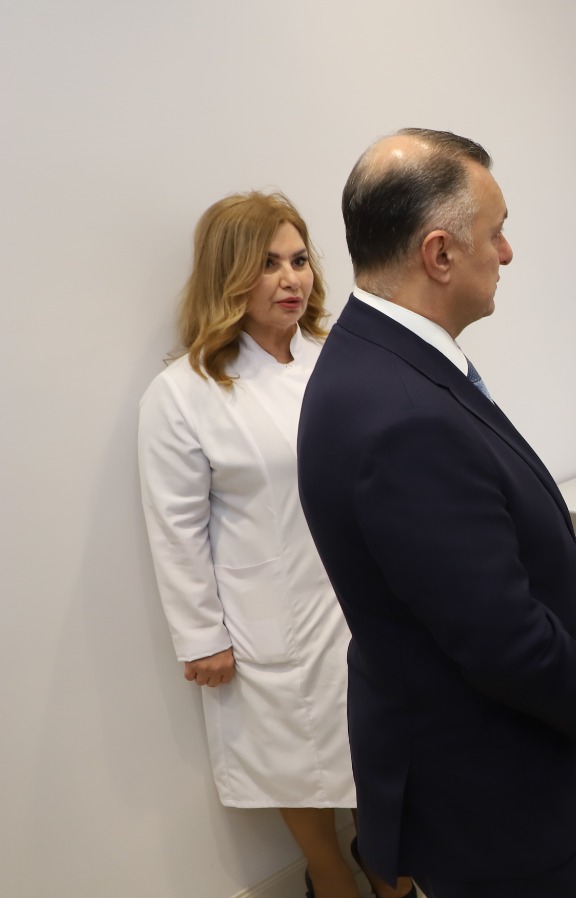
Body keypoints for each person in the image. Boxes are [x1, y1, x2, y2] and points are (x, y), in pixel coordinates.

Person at [297, 128, 576, 898]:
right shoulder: (404, 415)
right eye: (496, 232)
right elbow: (498, 638)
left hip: (448, 746)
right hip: (485, 785)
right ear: (439, 254)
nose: (507, 252)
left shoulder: (373, 357)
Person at [137, 192, 413, 898]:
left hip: (363, 597)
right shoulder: (183, 392)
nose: (291, 280)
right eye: (267, 264)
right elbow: (175, 525)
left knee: (380, 746)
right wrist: (200, 635)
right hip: (270, 608)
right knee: (297, 755)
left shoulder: (337, 361)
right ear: (228, 274)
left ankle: (389, 871)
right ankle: (329, 876)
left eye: (298, 260)